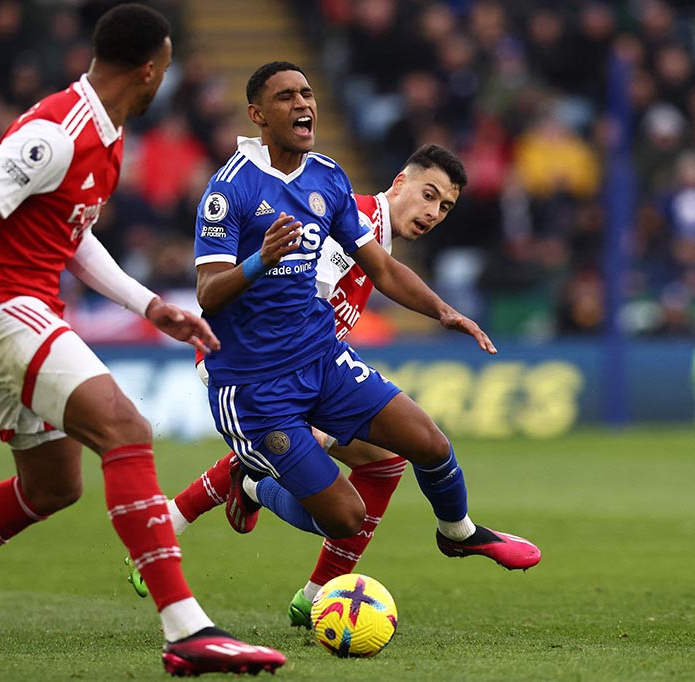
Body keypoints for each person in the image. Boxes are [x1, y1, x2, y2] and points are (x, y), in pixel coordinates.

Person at [0, 6, 286, 676]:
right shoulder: (59, 131)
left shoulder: (107, 136)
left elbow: (72, 236)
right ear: (148, 69)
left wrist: (148, 304)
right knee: (126, 428)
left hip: (21, 304)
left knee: (51, 487)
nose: (163, 83)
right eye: (164, 70)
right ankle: (186, 629)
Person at [172, 61, 540, 618]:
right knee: (342, 511)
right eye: (430, 196)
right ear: (258, 114)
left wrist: (444, 312)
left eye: (309, 94)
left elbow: (382, 274)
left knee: (424, 446)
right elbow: (212, 294)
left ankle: (445, 537)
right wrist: (261, 260)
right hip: (252, 375)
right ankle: (252, 486)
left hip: (319, 362)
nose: (304, 105)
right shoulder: (229, 192)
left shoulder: (328, 180)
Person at [127, 144, 507, 630]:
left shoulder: (375, 238)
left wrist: (442, 312)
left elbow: (371, 282)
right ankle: (255, 512)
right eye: (428, 195)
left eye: (445, 206)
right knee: (342, 464)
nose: (432, 213)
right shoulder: (353, 218)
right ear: (399, 183)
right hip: (260, 365)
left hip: (301, 367)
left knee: (385, 463)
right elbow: (303, 290)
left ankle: (299, 586)